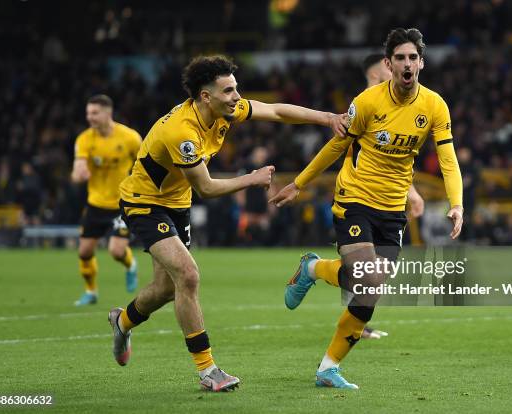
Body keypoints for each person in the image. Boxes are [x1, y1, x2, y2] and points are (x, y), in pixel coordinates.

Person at [108, 55, 348, 392]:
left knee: (165, 289)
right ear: (206, 96)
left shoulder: (225, 110)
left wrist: (327, 118)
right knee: (188, 276)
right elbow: (205, 187)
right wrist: (251, 178)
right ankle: (208, 370)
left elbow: (277, 111)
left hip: (177, 203)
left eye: (236, 88)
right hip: (145, 203)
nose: (237, 96)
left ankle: (122, 321)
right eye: (229, 90)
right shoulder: (182, 131)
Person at [270, 28, 464, 389]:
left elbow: (448, 160)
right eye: (400, 58)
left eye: (413, 58)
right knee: (366, 277)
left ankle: (326, 354)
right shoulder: (368, 102)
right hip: (355, 199)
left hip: (393, 211)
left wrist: (457, 205)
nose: (407, 64)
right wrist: (299, 183)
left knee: (370, 289)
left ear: (421, 63)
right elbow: (334, 146)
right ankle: (314, 282)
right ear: (388, 64)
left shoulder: (434, 106)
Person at [358, 53, 426, 340]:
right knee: (371, 271)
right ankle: (313, 269)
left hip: (388, 199)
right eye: (391, 68)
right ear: (377, 75)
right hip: (365, 199)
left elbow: (395, 159)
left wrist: (410, 192)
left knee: (377, 272)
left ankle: (357, 322)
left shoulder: (390, 105)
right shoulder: (367, 107)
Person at [71, 95, 142, 306]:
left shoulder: (129, 137)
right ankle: (91, 292)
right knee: (84, 252)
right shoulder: (84, 139)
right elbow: (76, 171)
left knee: (116, 251)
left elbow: (145, 164)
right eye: (87, 113)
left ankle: (131, 266)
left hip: (122, 204)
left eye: (94, 113)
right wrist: (79, 174)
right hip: (95, 204)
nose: (89, 117)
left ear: (107, 113)